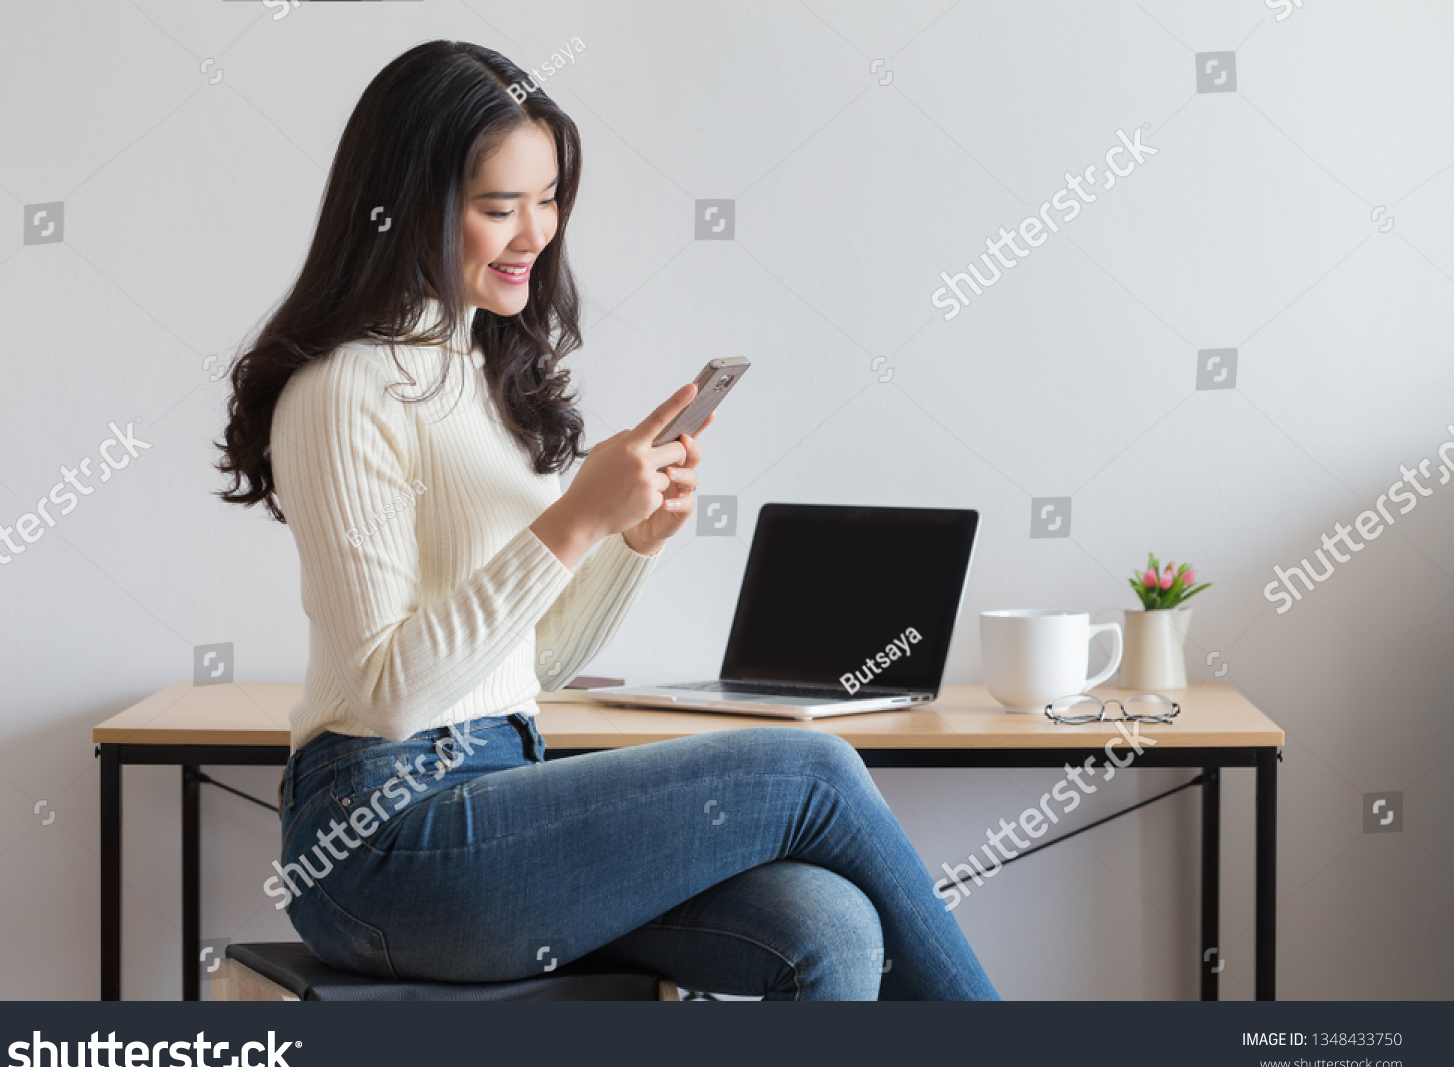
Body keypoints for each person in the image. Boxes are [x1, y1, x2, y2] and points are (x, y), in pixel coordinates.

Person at [215, 39, 997, 1001]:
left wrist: (628, 543)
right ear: (406, 204)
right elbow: (385, 696)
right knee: (815, 769)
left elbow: (525, 667)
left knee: (829, 926)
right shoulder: (343, 390)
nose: (533, 233)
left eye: (548, 200)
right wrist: (576, 523)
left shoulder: (481, 380)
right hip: (380, 839)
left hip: (502, 790)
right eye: (499, 206)